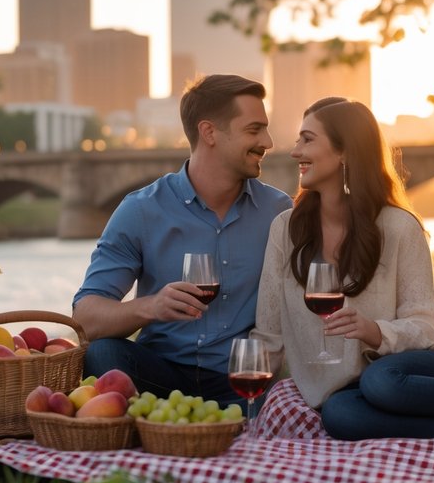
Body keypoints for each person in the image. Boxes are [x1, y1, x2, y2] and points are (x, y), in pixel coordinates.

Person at [251, 97, 434, 440]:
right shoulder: (285, 230)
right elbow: (268, 335)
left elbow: (424, 323)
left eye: (308, 139)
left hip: (415, 373)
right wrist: (247, 410)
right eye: (299, 139)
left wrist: (376, 332)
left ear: (345, 152)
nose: (295, 151)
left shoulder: (399, 227)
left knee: (381, 381)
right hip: (350, 392)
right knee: (339, 415)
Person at [72, 74, 294, 406]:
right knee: (103, 355)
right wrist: (151, 306)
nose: (269, 141)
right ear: (209, 133)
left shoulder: (278, 211)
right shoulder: (141, 210)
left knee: (289, 396)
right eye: (254, 129)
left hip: (242, 381)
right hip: (159, 376)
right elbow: (84, 319)